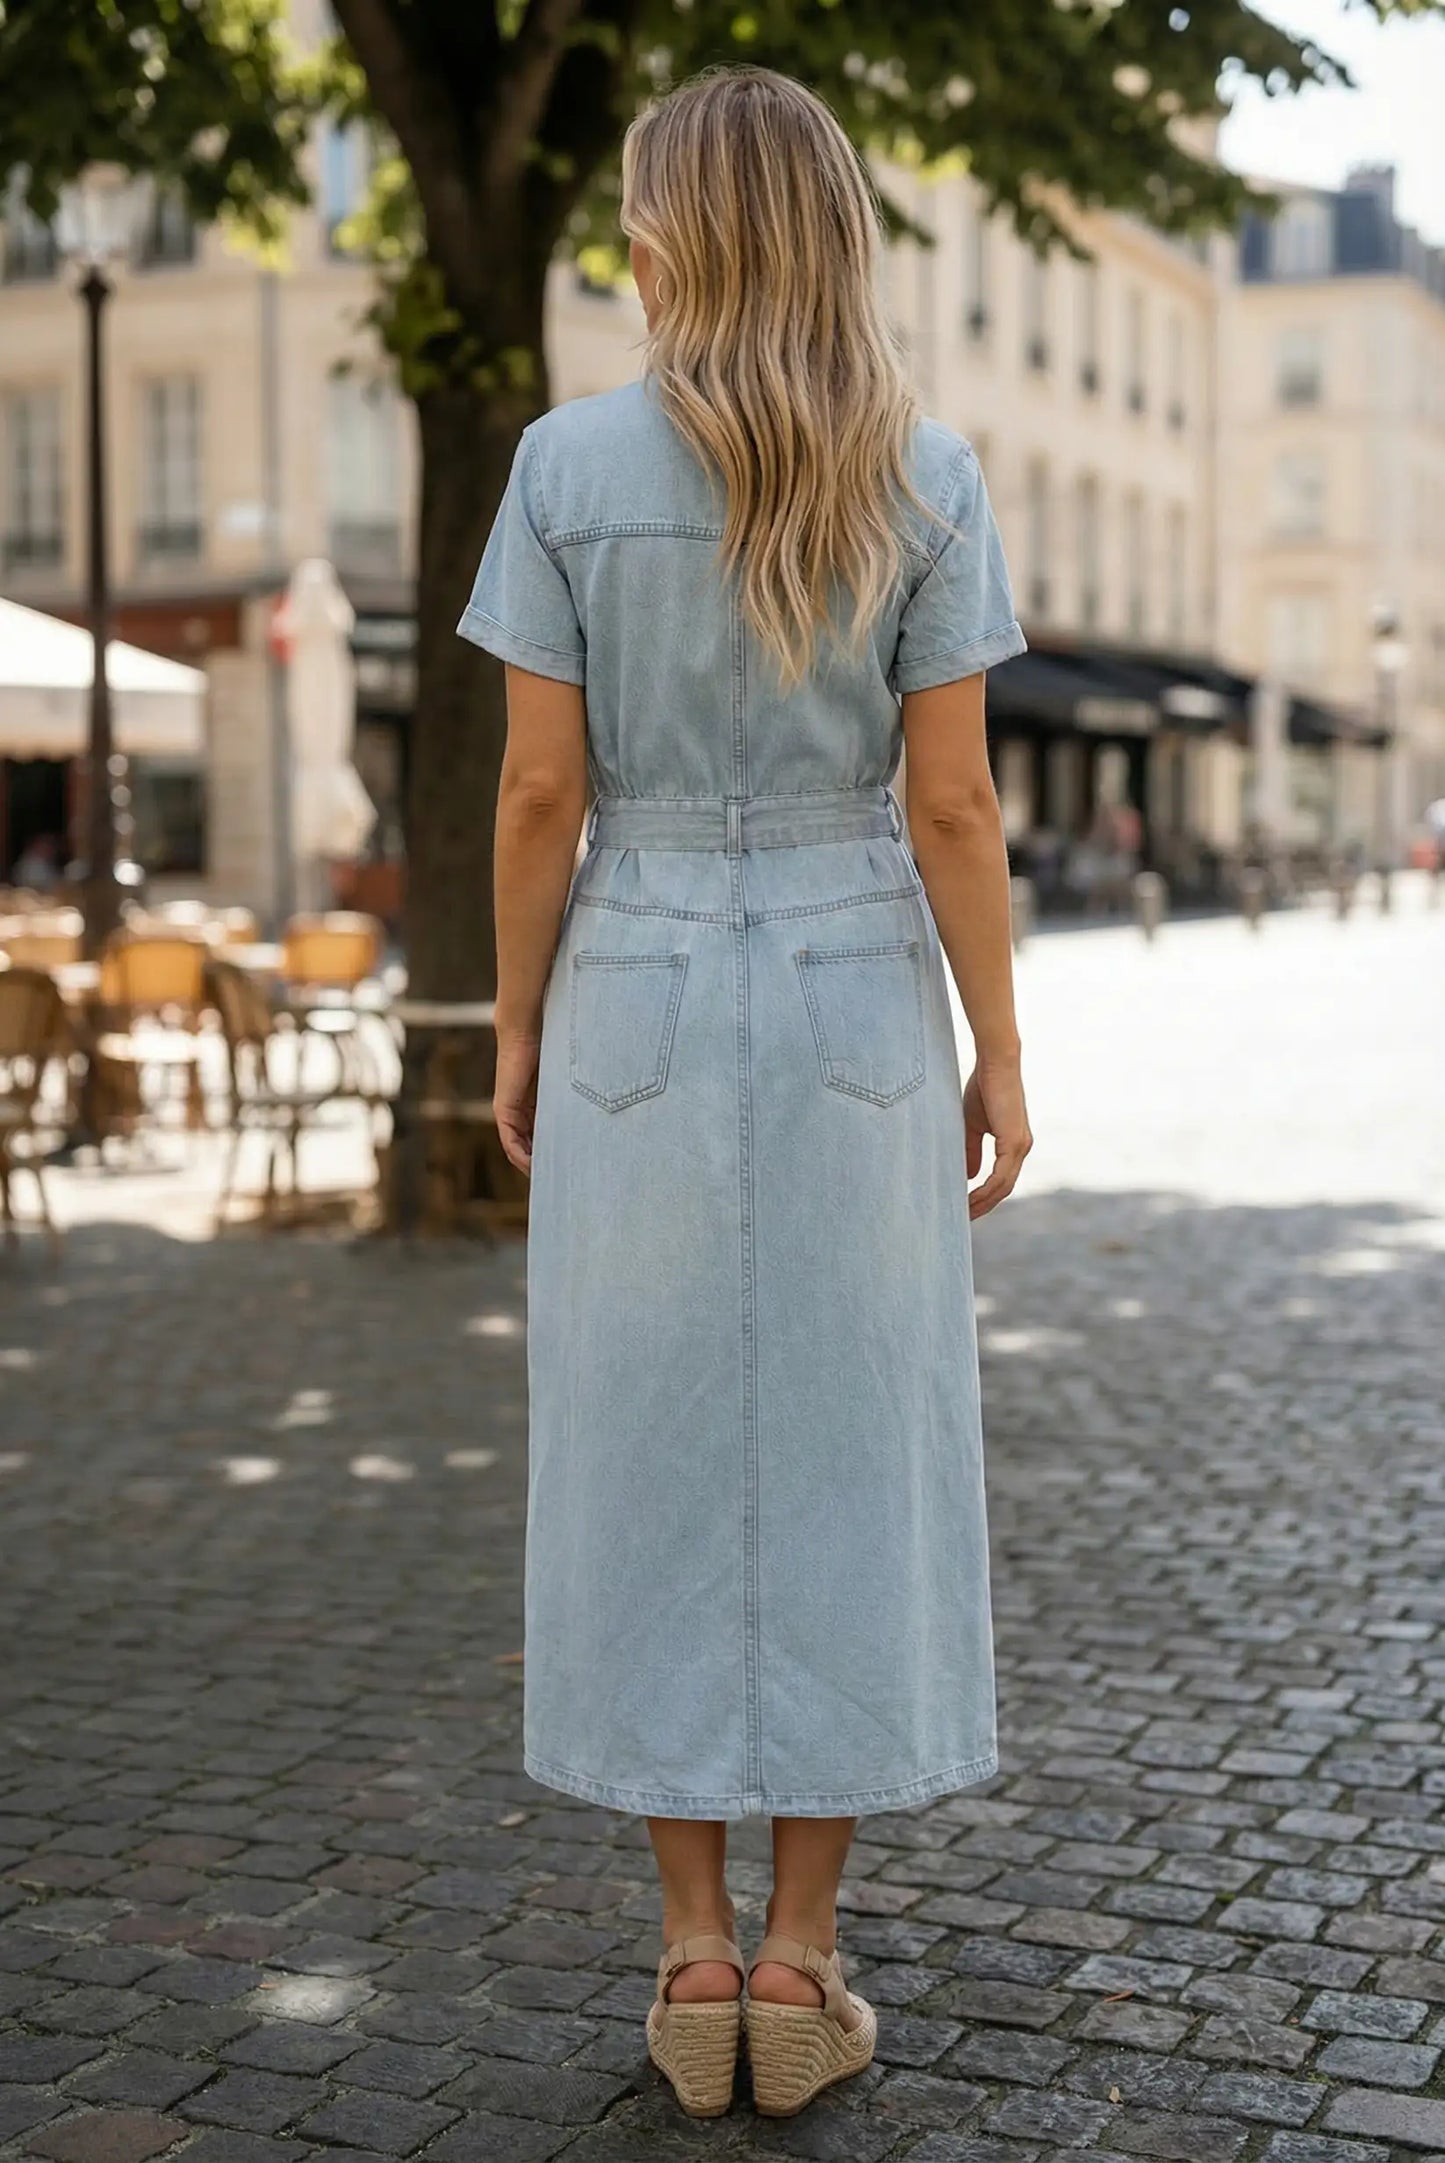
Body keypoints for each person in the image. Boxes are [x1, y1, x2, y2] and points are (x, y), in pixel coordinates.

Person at [458, 66, 1033, 2122]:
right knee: (855, 1447)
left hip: (633, 981)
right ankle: (807, 1954)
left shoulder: (560, 463)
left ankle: (689, 1952)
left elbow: (538, 789)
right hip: (857, 984)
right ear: (839, 231)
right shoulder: (929, 471)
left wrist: (520, 1025)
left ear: (666, 233)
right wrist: (1002, 1045)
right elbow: (953, 800)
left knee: (642, 1443)